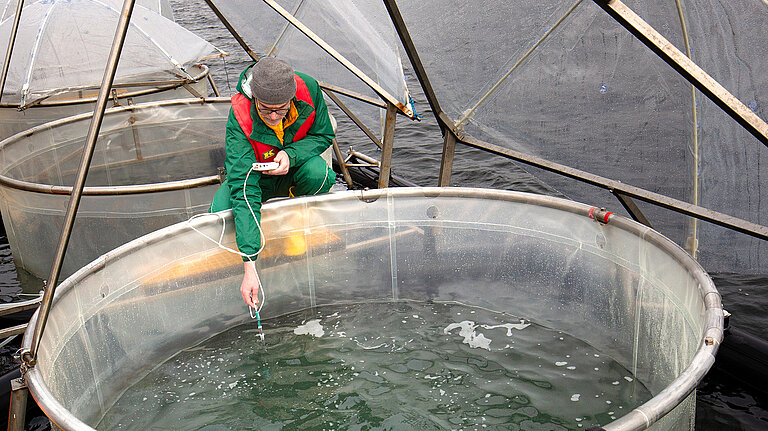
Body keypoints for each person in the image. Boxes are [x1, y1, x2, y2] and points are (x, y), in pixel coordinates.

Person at [209, 57, 335, 309]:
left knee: (320, 174)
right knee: (220, 209)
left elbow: (324, 134)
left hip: (291, 170)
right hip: (257, 178)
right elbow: (244, 187)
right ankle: (243, 253)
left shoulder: (309, 89)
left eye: (281, 108)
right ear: (255, 98)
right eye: (266, 109)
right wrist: (249, 263)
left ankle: (295, 221)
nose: (274, 116)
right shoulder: (240, 114)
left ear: (292, 99)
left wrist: (292, 154)